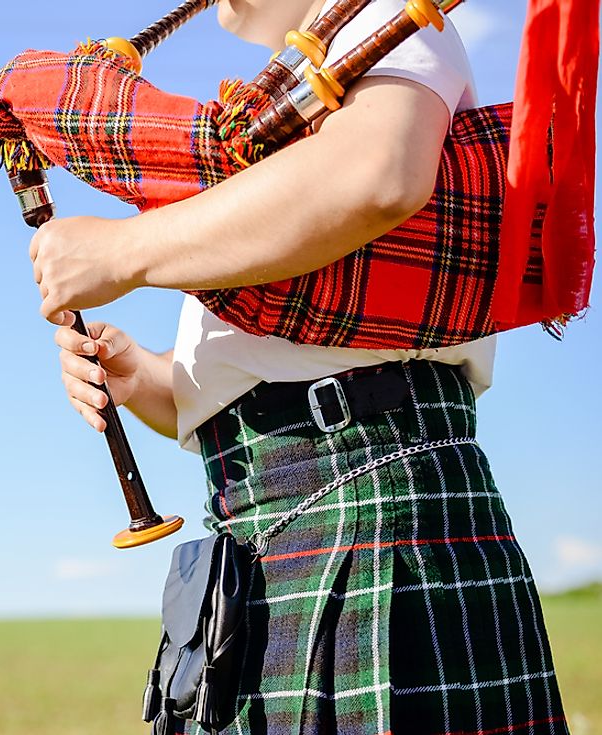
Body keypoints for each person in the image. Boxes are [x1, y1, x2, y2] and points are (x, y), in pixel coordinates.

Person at [29, 0, 570, 732]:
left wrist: (123, 252)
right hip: (260, 545)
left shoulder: (378, 20)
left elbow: (377, 174)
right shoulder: (275, 113)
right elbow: (256, 386)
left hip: (378, 504)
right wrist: (148, 381)